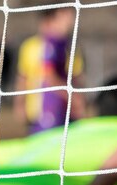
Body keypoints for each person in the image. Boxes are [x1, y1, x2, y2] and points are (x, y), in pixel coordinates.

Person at [15, 6, 86, 134]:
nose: (71, 21)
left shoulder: (69, 47)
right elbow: (26, 77)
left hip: (65, 111)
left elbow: (75, 77)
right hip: (42, 112)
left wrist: (77, 101)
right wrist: (20, 104)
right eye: (66, 16)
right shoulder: (32, 46)